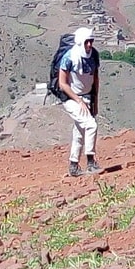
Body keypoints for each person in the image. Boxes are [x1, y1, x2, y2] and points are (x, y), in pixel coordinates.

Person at [55, 27, 102, 176]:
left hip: (87, 96)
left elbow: (95, 78)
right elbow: (63, 83)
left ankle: (73, 165)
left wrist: (95, 100)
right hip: (70, 98)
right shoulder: (69, 57)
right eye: (87, 42)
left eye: (91, 41)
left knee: (80, 131)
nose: (89, 45)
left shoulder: (94, 55)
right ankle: (90, 162)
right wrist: (78, 100)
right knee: (91, 125)